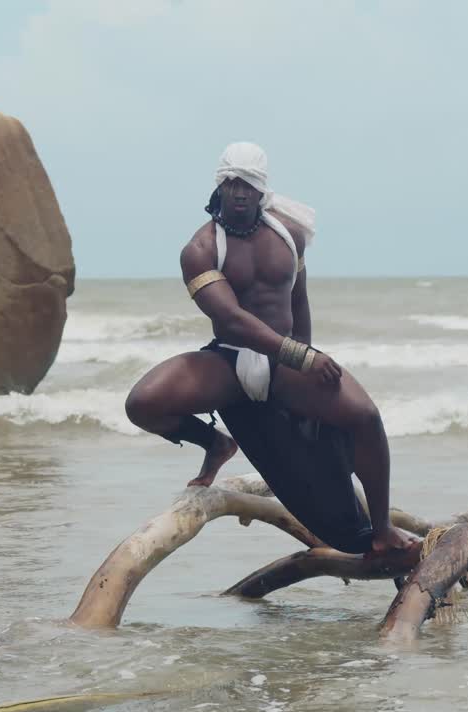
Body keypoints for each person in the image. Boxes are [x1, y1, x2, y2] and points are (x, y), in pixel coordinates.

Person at [124, 142, 416, 558]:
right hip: (229, 359)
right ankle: (215, 444)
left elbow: (298, 300)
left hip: (284, 364)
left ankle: (383, 528)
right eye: (232, 183)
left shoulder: (289, 235)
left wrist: (306, 360)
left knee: (365, 417)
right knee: (143, 403)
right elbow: (231, 320)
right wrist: (302, 357)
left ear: (262, 188)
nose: (240, 192)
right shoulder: (201, 250)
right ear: (219, 186)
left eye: (249, 184)